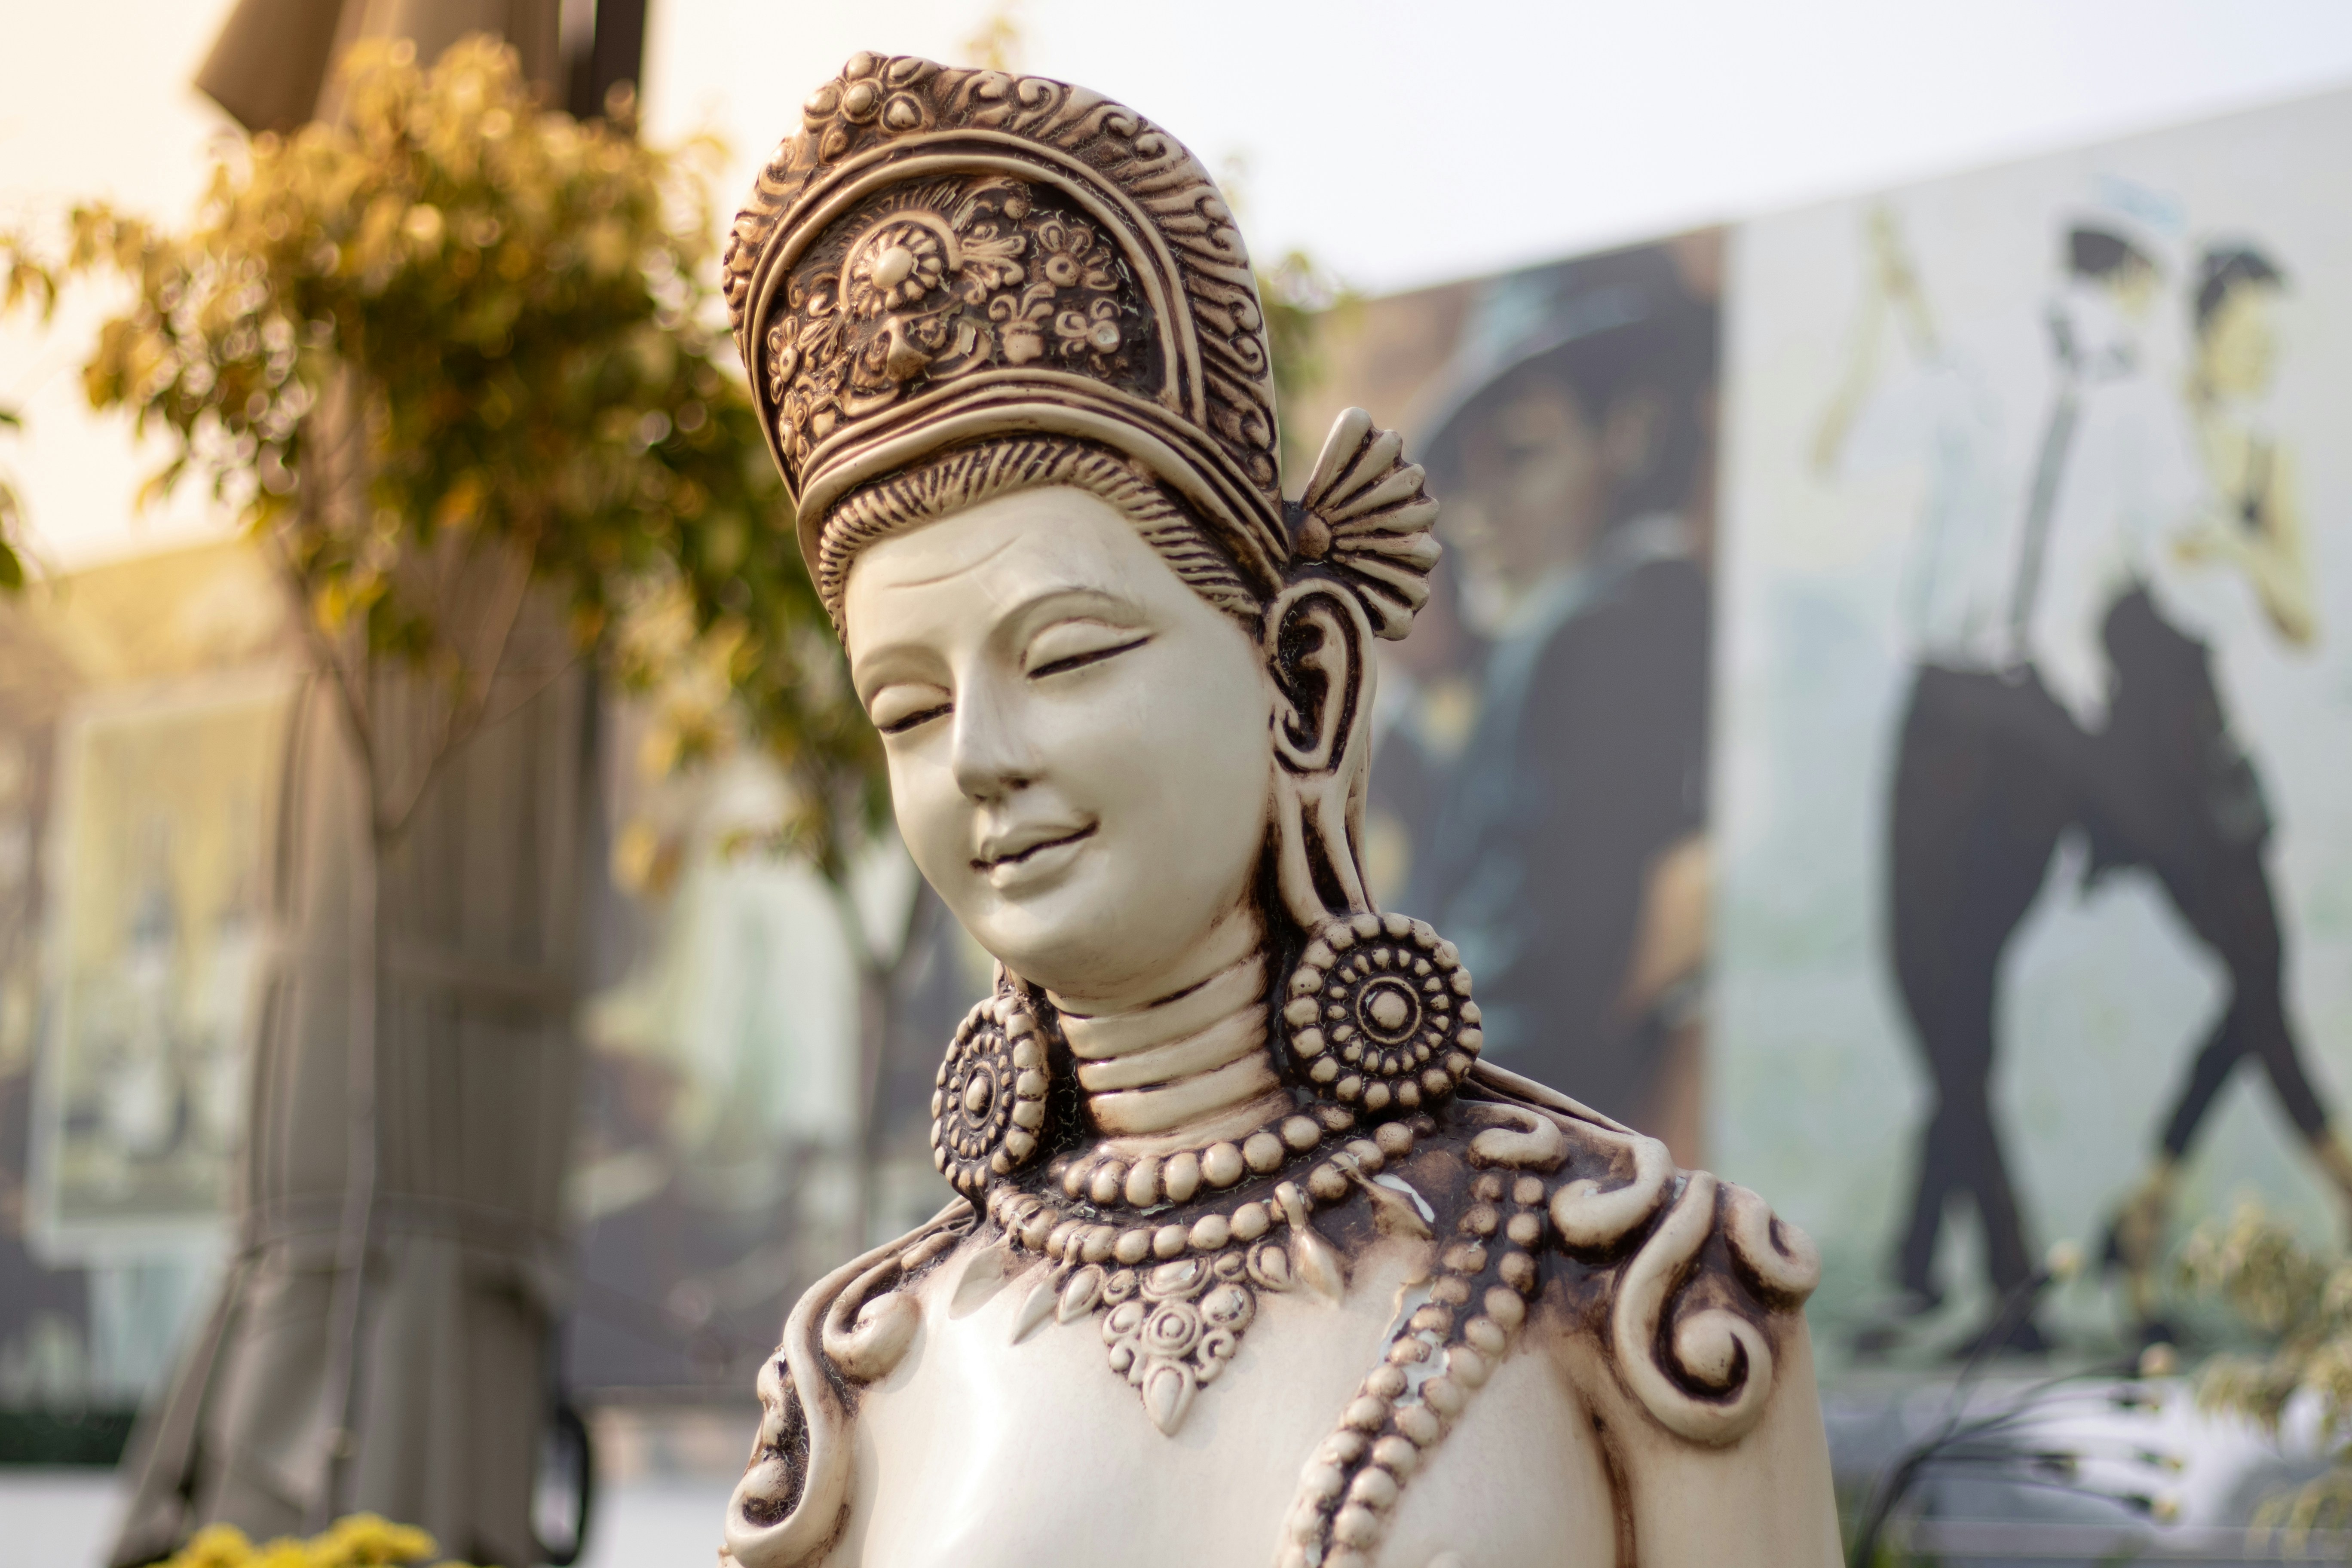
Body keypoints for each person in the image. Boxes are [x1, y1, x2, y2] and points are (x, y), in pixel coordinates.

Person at [710, 52, 1838, 1567]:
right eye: (907, 707)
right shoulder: (864, 1371)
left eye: (1067, 652)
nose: (979, 753)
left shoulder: (1636, 1288)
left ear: (1302, 677)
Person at [1813, 205, 2202, 1352]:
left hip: (1957, 702)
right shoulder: (2143, 401)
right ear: (2136, 278)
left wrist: (1884, 314)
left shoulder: (1980, 350)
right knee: (1961, 990)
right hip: (2051, 725)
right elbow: (2171, 560)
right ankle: (1938, 1264)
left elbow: (1847, 445)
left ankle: (2006, 1269)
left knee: (1930, 983)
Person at [1408, 256, 1715, 1152]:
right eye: (1468, 475)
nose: (1474, 515)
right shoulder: (1637, 618)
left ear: (1631, 434)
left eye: (1523, 455)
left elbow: (1525, 998)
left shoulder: (1590, 629)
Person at [2101, 241, 2344, 1326]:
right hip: (2136, 777)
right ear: (2201, 330)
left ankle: (2145, 1213)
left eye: (2272, 349)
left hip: (2211, 761)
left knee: (2257, 984)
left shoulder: (2258, 455)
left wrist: (2233, 545)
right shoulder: (2137, 424)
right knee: (2260, 977)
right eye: (2244, 341)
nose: (2256, 363)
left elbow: (2301, 615)